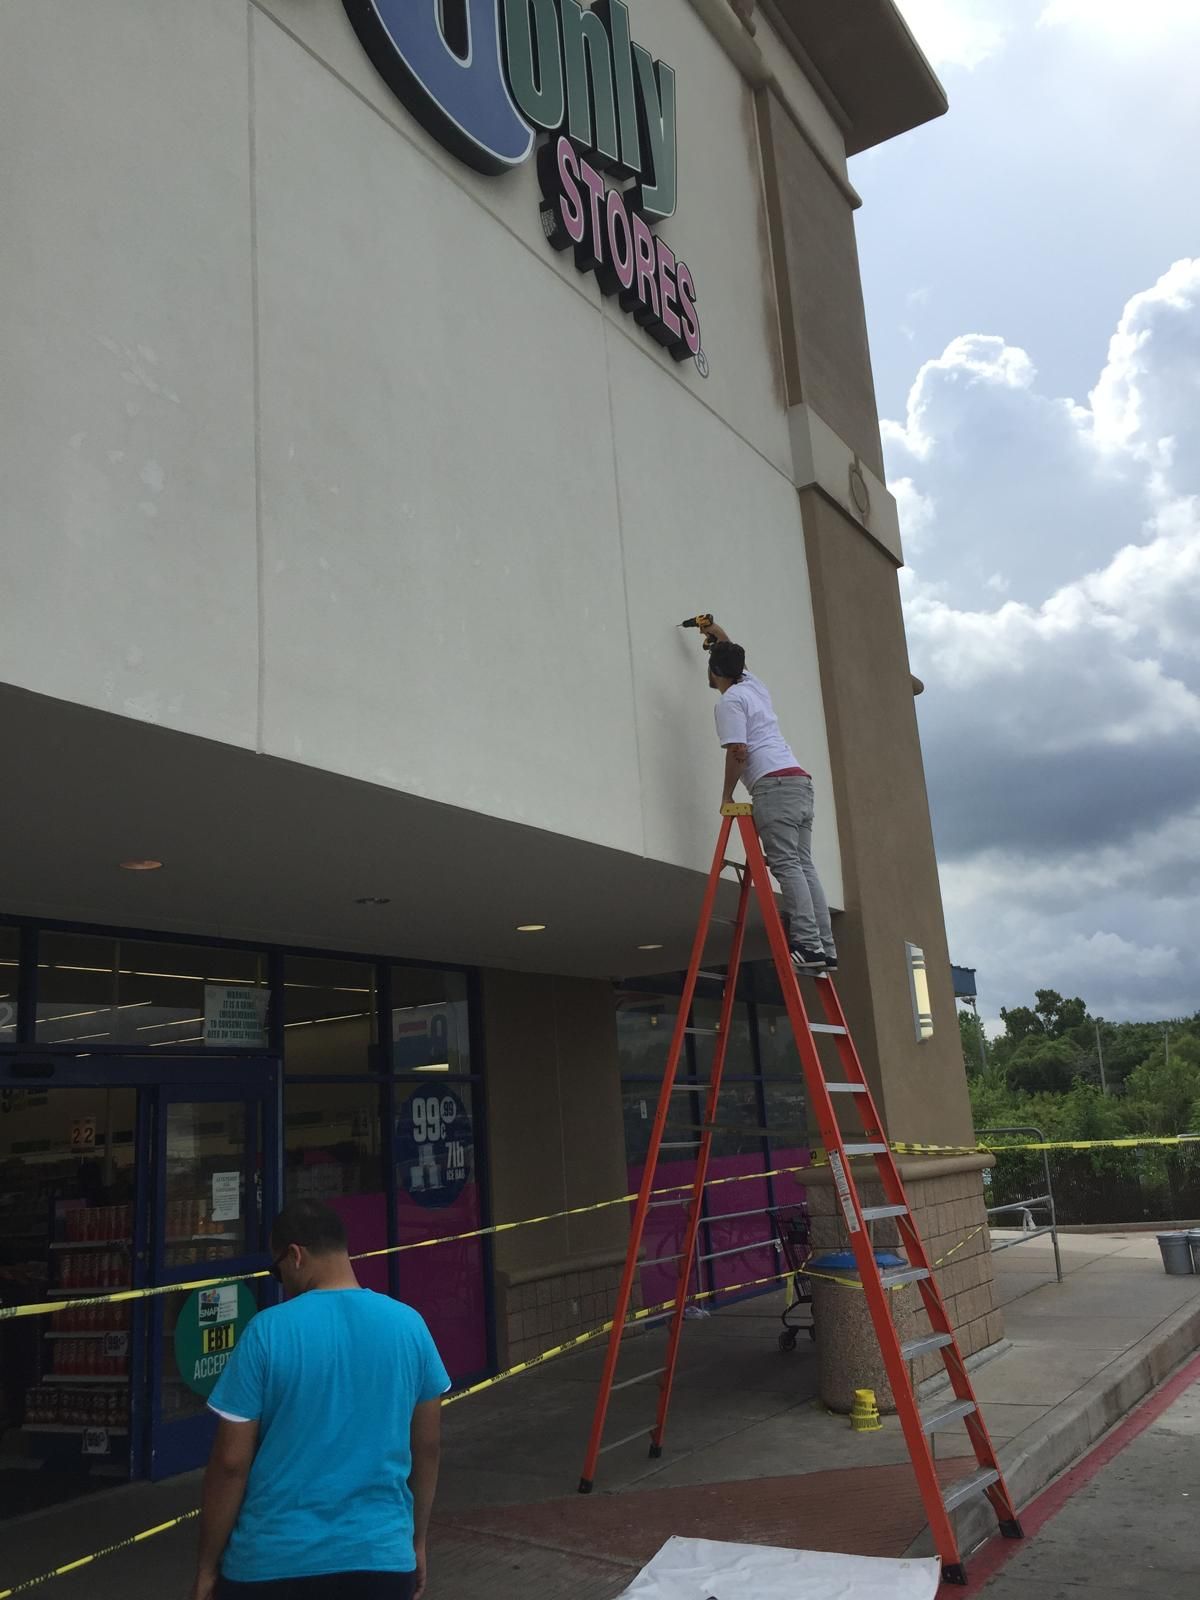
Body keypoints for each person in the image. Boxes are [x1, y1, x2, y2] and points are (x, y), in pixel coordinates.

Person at [190, 1199, 449, 1600]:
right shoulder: (409, 1326)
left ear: (294, 1256)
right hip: (380, 1559)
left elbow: (230, 1463)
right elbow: (427, 1447)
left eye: (276, 1270)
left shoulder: (265, 1332)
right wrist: (415, 1543)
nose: (280, 1280)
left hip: (271, 1563)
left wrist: (208, 1566)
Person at [700, 620, 837, 975]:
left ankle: (806, 944)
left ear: (715, 671)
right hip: (798, 781)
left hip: (772, 785)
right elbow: (733, 657)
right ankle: (824, 947)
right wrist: (716, 631)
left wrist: (727, 793)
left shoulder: (730, 701)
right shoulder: (754, 687)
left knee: (787, 866)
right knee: (803, 864)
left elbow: (738, 751)